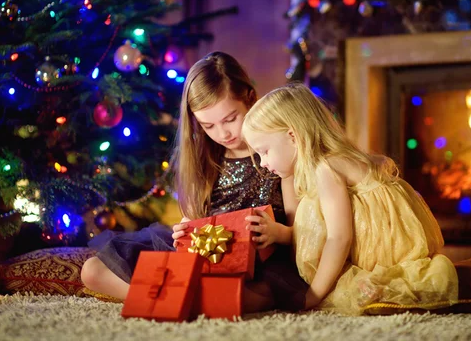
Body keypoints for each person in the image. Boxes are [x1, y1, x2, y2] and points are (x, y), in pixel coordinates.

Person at [81, 52, 308, 311]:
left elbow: (298, 231)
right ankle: (182, 299)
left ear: (250, 98)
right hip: (206, 255)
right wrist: (184, 232)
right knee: (92, 271)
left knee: (249, 294)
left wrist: (277, 233)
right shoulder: (203, 155)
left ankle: (178, 299)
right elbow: (193, 220)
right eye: (208, 126)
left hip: (262, 262)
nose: (222, 133)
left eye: (230, 119)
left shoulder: (276, 151)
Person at [241, 82, 459, 315]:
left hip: (379, 251)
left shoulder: (325, 168)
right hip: (393, 239)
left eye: (264, 151)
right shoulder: (333, 159)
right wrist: (281, 233)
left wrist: (313, 295)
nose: (263, 163)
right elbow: (318, 229)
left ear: (293, 136)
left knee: (338, 290)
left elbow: (340, 238)